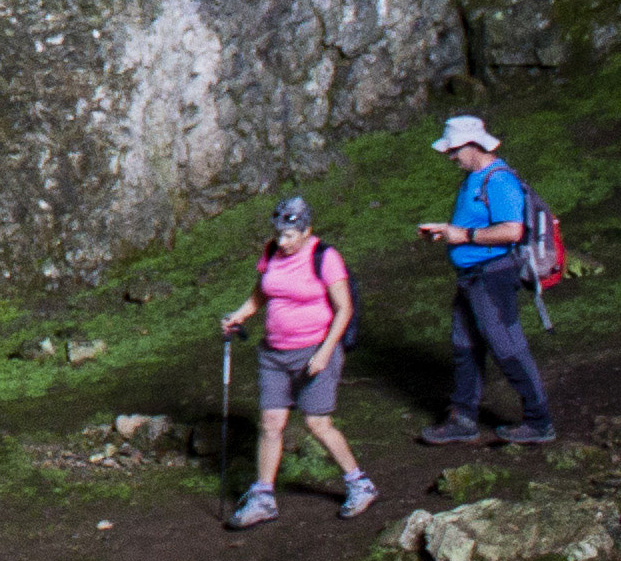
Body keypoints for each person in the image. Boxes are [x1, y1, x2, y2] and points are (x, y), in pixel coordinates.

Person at [218, 196, 377, 526]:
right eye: (279, 235)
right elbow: (263, 290)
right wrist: (240, 314)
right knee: (270, 424)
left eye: (290, 236)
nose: (283, 242)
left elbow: (344, 308)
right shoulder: (271, 252)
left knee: (317, 424)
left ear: (307, 231)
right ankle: (263, 497)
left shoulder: (325, 257)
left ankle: (359, 484)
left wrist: (324, 352)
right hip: (274, 353)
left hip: (314, 350)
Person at [413, 112, 555, 446]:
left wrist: (463, 236)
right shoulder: (474, 178)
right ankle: (463, 417)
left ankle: (539, 420)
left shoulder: (499, 181)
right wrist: (447, 232)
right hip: (471, 277)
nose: (450, 157)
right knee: (465, 345)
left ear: (472, 145)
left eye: (454, 150)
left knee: (507, 345)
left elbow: (511, 230)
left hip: (491, 277)